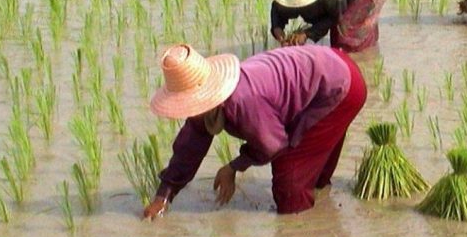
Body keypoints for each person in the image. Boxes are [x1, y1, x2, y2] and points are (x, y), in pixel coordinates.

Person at [143, 43, 367, 218]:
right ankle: (322, 205)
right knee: (311, 168)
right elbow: (189, 147)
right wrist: (164, 196)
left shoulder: (242, 101)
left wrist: (234, 167)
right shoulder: (206, 108)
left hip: (340, 88)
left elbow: (273, 145)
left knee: (289, 175)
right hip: (335, 65)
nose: (187, 112)